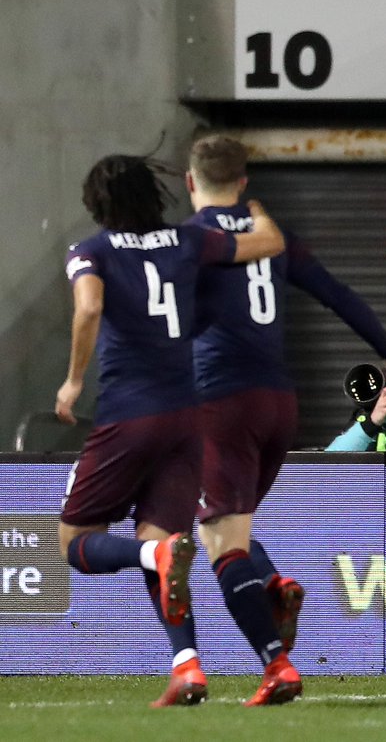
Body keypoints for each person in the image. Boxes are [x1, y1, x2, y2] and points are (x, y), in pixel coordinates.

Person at [185, 135, 386, 705]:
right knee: (229, 529)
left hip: (221, 402)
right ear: (243, 182)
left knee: (220, 541)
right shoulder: (275, 240)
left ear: (190, 183)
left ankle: (276, 663)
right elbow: (337, 294)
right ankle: (273, 586)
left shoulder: (187, 242)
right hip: (278, 405)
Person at [55, 154, 285, 707]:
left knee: (75, 544)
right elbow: (268, 244)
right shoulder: (187, 241)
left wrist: (72, 381)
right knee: (159, 542)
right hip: (189, 419)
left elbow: (88, 309)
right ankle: (188, 668)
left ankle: (153, 564)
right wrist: (255, 209)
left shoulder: (91, 250)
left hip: (129, 415)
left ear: (97, 204)